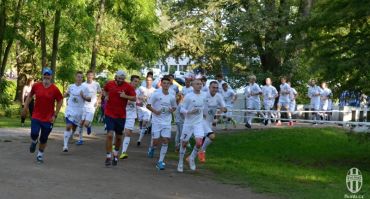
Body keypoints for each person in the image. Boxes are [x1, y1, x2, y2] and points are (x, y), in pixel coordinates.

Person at [21, 68, 63, 163]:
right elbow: (30, 96)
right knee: (34, 133)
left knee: (44, 138)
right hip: (36, 115)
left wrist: (55, 115)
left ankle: (40, 155)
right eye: (45, 75)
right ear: (42, 75)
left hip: (48, 118)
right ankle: (34, 141)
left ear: (51, 77)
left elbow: (60, 100)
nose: (46, 77)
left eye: (48, 75)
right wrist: (25, 107)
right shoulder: (36, 86)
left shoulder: (55, 89)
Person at [103, 70, 136, 166]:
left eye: (122, 79)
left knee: (118, 137)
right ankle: (108, 156)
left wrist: (125, 96)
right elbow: (104, 90)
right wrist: (106, 95)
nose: (121, 80)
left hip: (121, 115)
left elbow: (134, 98)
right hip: (109, 113)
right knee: (109, 135)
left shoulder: (128, 86)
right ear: (115, 77)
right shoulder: (110, 84)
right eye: (119, 78)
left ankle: (116, 153)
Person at [146, 76, 177, 170]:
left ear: (170, 85)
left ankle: (160, 161)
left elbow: (174, 107)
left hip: (167, 122)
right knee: (155, 141)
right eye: (164, 83)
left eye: (168, 83)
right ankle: (152, 148)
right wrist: (155, 111)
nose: (166, 85)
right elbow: (148, 105)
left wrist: (172, 110)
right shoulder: (156, 94)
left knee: (165, 140)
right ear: (161, 84)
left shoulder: (172, 96)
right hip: (156, 121)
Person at [177, 78, 206, 172]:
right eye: (197, 84)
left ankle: (191, 158)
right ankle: (180, 162)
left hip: (198, 123)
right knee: (184, 144)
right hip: (188, 123)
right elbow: (181, 109)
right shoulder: (189, 96)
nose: (199, 85)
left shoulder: (204, 95)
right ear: (193, 85)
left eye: (200, 84)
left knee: (199, 143)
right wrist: (189, 112)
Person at [198, 81, 227, 163]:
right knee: (211, 136)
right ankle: (202, 152)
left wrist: (223, 109)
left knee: (201, 141)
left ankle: (191, 157)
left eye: (217, 88)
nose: (215, 89)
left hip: (209, 121)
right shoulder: (204, 95)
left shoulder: (219, 96)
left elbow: (225, 108)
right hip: (201, 120)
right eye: (213, 87)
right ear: (209, 88)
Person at [62, 71, 91, 152]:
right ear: (75, 77)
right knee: (68, 126)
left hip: (79, 111)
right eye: (78, 77)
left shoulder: (85, 88)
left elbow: (89, 99)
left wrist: (84, 96)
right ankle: (65, 146)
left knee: (74, 128)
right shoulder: (71, 86)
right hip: (70, 109)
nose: (80, 78)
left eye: (81, 77)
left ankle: (71, 135)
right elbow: (66, 94)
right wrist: (60, 97)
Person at [77, 70, 102, 145]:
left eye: (91, 75)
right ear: (86, 76)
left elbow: (100, 92)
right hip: (83, 106)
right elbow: (80, 94)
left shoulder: (96, 84)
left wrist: (98, 100)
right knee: (80, 123)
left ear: (93, 76)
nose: (90, 76)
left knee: (86, 124)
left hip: (91, 106)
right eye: (89, 75)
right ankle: (80, 139)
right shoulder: (83, 84)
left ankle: (89, 125)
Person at [119, 75, 140, 159]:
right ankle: (114, 145)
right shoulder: (124, 89)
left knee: (128, 133)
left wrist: (139, 104)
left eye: (137, 82)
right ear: (131, 81)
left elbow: (135, 101)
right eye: (135, 81)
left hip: (131, 115)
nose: (136, 83)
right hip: (122, 114)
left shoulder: (138, 91)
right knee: (118, 133)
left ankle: (123, 152)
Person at [137, 76, 156, 146]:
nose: (148, 82)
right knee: (141, 121)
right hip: (140, 107)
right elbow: (135, 96)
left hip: (148, 108)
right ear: (145, 81)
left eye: (150, 80)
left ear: (152, 81)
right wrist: (141, 98)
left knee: (144, 123)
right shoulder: (141, 88)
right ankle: (147, 126)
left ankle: (139, 140)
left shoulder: (154, 90)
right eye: (147, 80)